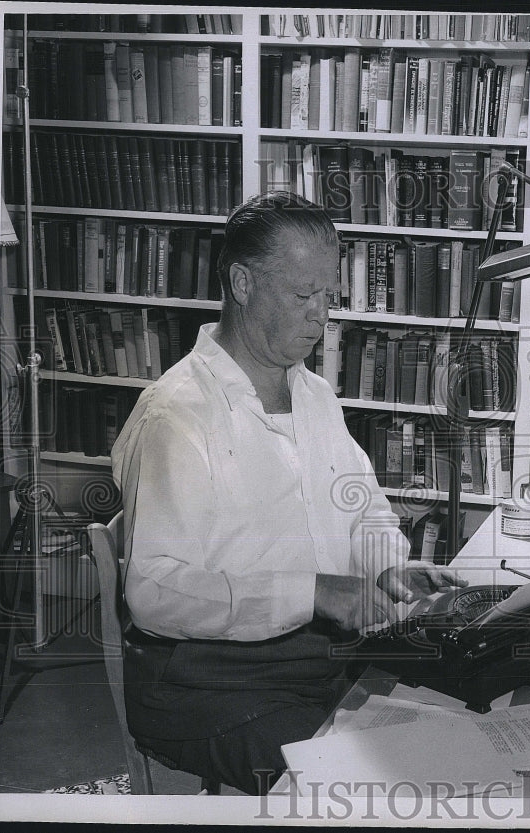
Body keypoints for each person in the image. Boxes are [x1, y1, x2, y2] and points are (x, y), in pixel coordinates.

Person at [111, 191, 467, 795]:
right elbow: (153, 592)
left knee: (467, 715)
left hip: (314, 658)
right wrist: (312, 593)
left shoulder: (314, 395)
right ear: (243, 284)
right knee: (365, 788)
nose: (320, 317)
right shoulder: (177, 416)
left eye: (328, 295)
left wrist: (388, 570)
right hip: (206, 684)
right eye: (303, 296)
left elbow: (364, 512)